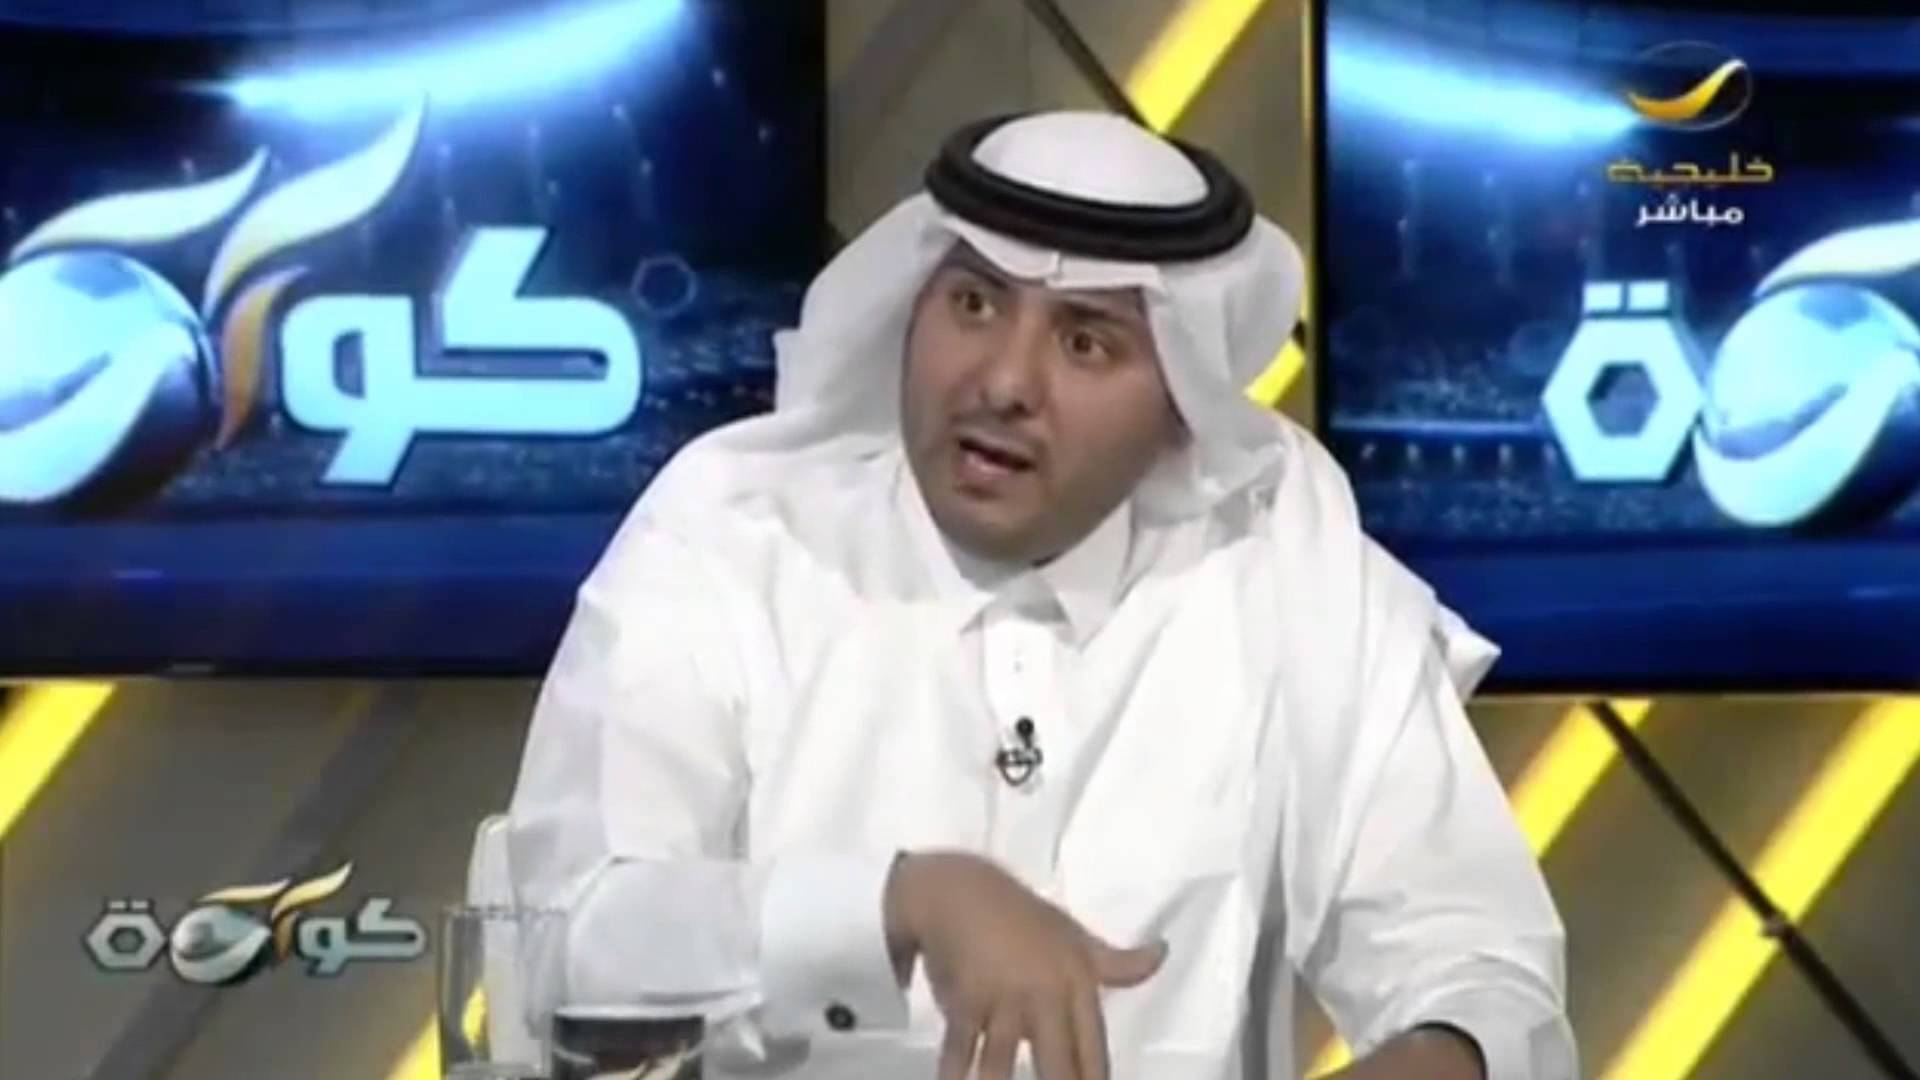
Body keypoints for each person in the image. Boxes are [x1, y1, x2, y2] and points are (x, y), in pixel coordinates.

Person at [503, 110, 1576, 1080]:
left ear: (1181, 403)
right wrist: (898, 902)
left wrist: (1444, 1055)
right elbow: (570, 947)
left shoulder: (1291, 574)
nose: (1004, 382)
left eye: (1085, 340)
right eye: (973, 303)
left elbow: (1484, 971)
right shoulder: (733, 534)